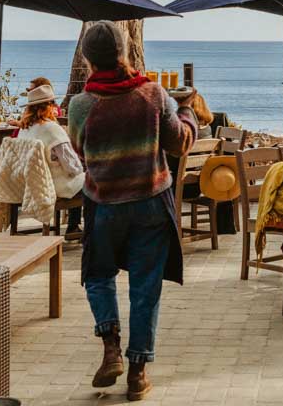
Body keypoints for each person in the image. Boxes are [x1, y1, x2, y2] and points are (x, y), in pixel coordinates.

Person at [67, 21, 196, 400]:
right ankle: (138, 372)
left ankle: (111, 348)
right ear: (126, 53)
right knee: (145, 286)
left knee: (98, 275)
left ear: (87, 60)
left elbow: (79, 152)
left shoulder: (80, 105)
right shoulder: (153, 95)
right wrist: (186, 111)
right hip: (150, 203)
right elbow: (180, 144)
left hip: (103, 204)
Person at [19, 82, 84, 233]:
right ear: (49, 106)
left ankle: (73, 226)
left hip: (31, 185)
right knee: (88, 179)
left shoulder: (24, 129)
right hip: (55, 185)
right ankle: (74, 227)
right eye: (53, 103)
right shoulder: (52, 129)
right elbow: (72, 167)